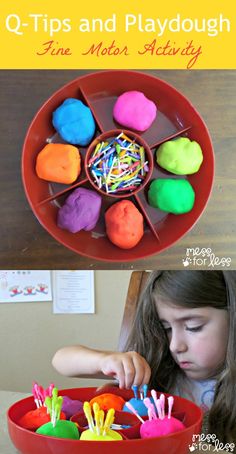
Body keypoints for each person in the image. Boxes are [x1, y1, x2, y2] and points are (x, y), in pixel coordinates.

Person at [52, 271, 236, 444]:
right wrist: (104, 360)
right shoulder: (156, 367)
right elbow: (61, 360)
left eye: (193, 326)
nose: (175, 346)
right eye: (166, 329)